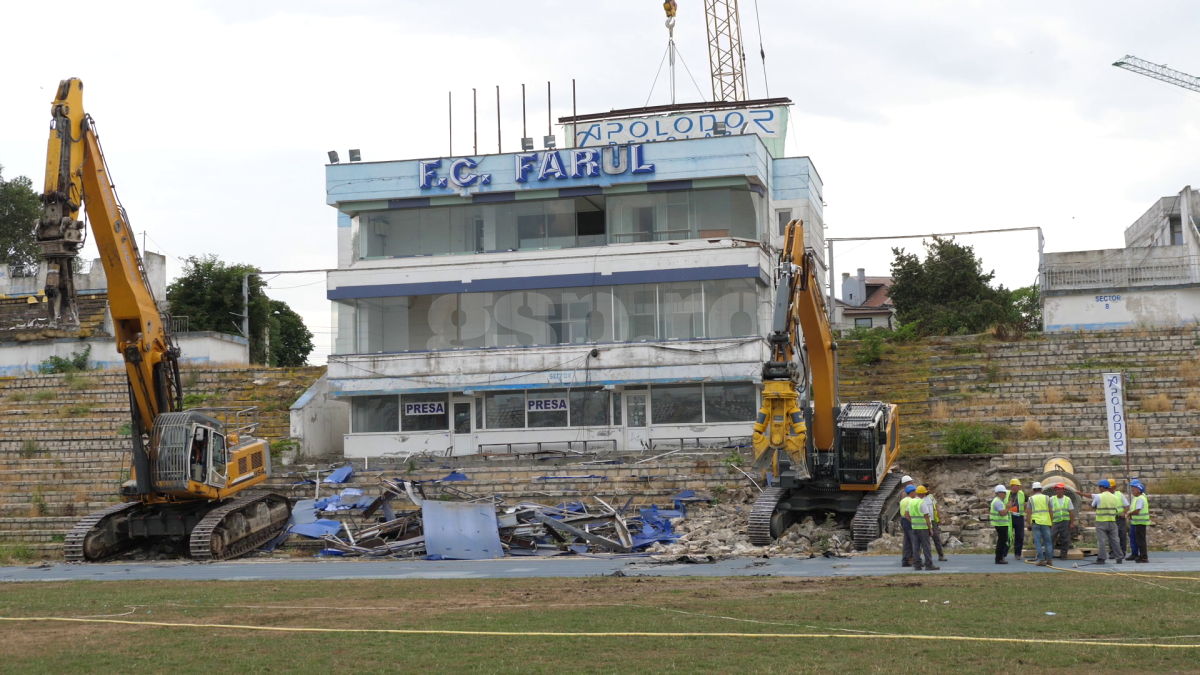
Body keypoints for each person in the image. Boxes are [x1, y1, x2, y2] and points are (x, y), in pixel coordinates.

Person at [1080, 479, 1124, 564]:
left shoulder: (1099, 497)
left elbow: (1093, 505)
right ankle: (1119, 557)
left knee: (1102, 541)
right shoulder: (1114, 497)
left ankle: (1101, 558)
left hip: (1101, 522)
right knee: (1115, 540)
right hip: (1112, 521)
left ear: (1101, 487)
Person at [909, 486, 939, 570]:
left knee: (916, 547)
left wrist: (912, 522)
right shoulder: (922, 502)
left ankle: (917, 565)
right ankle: (929, 564)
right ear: (923, 494)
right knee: (926, 546)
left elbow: (907, 514)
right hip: (923, 528)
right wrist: (930, 528)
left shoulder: (911, 502)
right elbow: (926, 516)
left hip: (914, 527)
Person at [1026, 482, 1054, 566]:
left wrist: (1028, 524)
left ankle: (1041, 559)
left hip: (1036, 522)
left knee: (1038, 542)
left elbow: (1028, 512)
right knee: (1048, 542)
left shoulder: (1031, 499)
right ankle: (1049, 559)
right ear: (1041, 489)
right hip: (1046, 522)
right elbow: (1051, 510)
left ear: (1033, 490)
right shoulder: (1047, 498)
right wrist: (1052, 522)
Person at [1126, 481, 1151, 563]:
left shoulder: (1140, 498)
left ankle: (1144, 557)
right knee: (1139, 540)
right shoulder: (1138, 498)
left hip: (1140, 523)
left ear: (1139, 490)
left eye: (1134, 489)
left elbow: (1137, 511)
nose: (1132, 490)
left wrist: (1129, 513)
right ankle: (1142, 556)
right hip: (1138, 522)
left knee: (1140, 541)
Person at [1050, 482, 1075, 560]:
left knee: (1065, 539)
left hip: (1065, 522)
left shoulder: (1067, 499)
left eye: (1059, 489)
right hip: (1055, 522)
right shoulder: (1052, 499)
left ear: (1063, 490)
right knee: (1051, 538)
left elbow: (1071, 512)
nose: (1057, 491)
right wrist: (1050, 522)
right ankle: (1049, 554)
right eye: (1056, 489)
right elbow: (1049, 511)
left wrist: (1072, 523)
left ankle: (1063, 555)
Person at [923, 484, 947, 562]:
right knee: (924, 541)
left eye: (929, 489)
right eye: (927, 489)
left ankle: (941, 555)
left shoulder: (931, 497)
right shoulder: (919, 499)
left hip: (932, 521)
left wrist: (939, 517)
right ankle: (924, 558)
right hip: (923, 522)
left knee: (936, 538)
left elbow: (936, 507)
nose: (928, 491)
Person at [1007, 478, 1026, 561]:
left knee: (1019, 536)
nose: (1019, 487)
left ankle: (1017, 554)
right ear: (1012, 486)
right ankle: (1003, 553)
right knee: (1008, 536)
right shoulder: (1007, 494)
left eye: (1019, 485)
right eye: (1017, 485)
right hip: (1009, 517)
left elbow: (1028, 501)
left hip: (1019, 517)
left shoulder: (1021, 494)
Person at [990, 484, 1010, 564]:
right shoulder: (998, 502)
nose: (1005, 494)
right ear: (1000, 493)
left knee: (1001, 541)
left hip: (1000, 524)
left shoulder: (998, 501)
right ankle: (999, 558)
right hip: (1000, 525)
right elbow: (1002, 513)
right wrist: (1008, 507)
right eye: (1004, 493)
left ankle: (999, 557)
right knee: (1001, 542)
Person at [899, 476, 915, 567]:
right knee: (913, 540)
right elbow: (908, 512)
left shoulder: (903, 496)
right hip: (908, 519)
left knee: (907, 541)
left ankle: (906, 559)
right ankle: (914, 559)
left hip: (904, 520)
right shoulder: (907, 496)